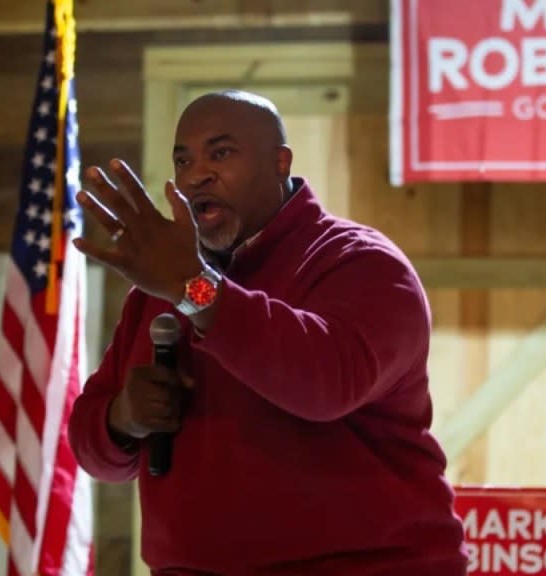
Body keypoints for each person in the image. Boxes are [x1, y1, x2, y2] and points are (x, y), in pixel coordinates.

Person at [67, 90, 468, 575]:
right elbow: (91, 446)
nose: (196, 175)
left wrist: (194, 290)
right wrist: (123, 419)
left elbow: (325, 381)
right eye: (182, 159)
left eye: (221, 153)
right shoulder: (162, 287)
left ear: (281, 163)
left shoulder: (363, 264)